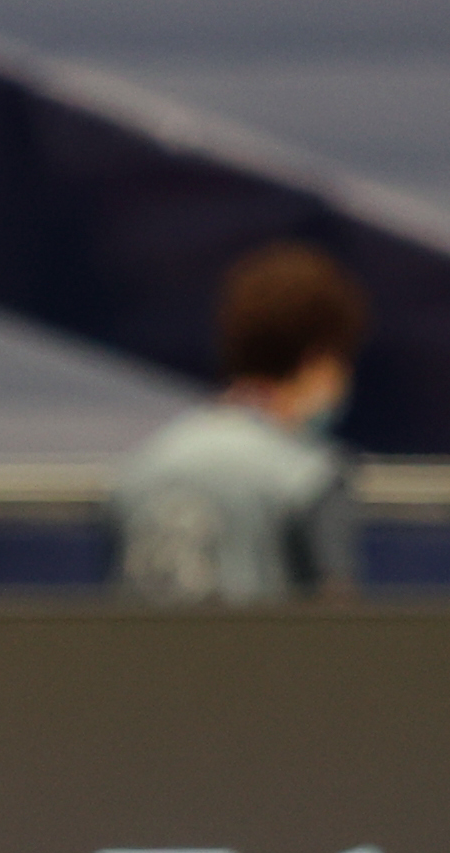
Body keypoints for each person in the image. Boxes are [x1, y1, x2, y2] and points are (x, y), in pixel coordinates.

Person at [110, 242, 370, 605]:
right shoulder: (309, 477)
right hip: (267, 662)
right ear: (319, 362)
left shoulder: (140, 468)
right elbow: (337, 620)